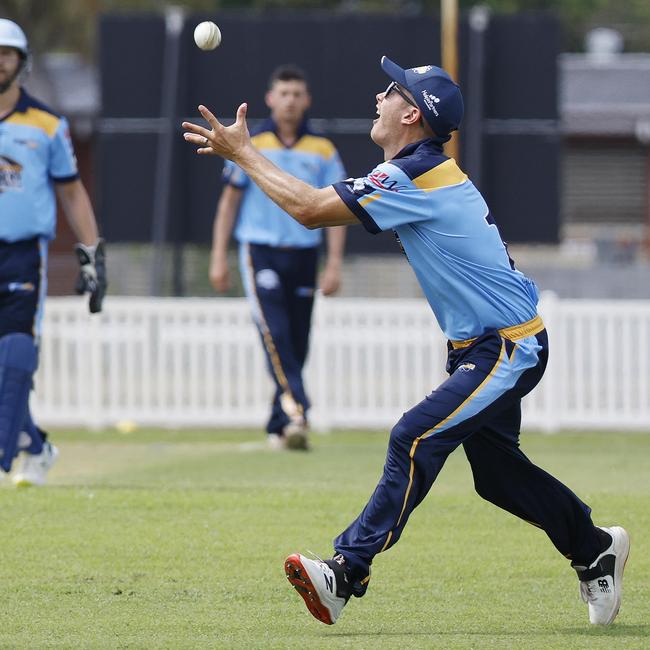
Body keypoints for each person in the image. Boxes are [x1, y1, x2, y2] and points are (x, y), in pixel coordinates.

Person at [182, 57, 629, 626]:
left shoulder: (413, 173)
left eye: (391, 91)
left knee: (412, 435)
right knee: (496, 477)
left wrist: (242, 152)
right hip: (488, 345)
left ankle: (346, 572)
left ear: (412, 113)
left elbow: (309, 210)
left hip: (507, 346)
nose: (379, 96)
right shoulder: (419, 170)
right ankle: (594, 549)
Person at [208, 64, 347, 451]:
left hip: (303, 254)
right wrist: (218, 256)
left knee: (298, 343)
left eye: (296, 94)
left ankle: (279, 422)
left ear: (307, 100)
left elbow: (337, 209)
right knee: (276, 332)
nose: (290, 101)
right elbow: (229, 203)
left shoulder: (322, 149)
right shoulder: (251, 143)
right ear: (270, 99)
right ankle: (299, 409)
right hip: (260, 251)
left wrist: (333, 264)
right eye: (283, 93)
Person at [0, 19, 106, 486]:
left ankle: (7, 454)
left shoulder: (47, 125)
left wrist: (91, 254)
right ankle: (37, 447)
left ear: (21, 63)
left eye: (7, 53)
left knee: (16, 353)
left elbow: (73, 194)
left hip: (22, 255)